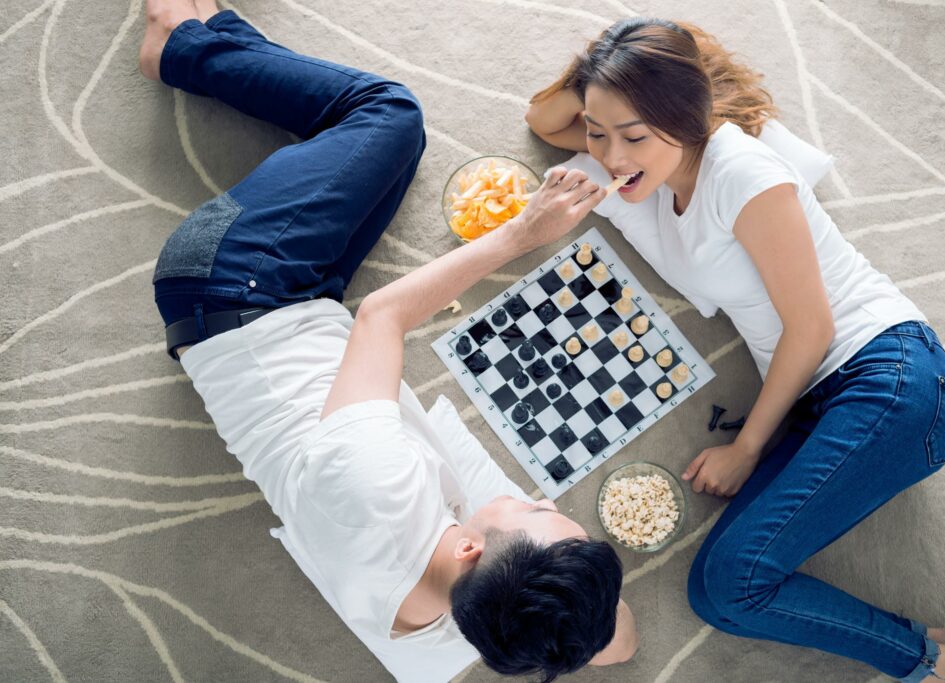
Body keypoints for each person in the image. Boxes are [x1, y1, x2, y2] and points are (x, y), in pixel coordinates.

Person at [138, 2, 637, 681]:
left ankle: (182, 48)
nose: (542, 499)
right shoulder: (464, 639)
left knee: (390, 114)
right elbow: (622, 642)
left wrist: (523, 233)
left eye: (532, 513)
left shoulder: (378, 481)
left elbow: (383, 315)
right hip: (307, 312)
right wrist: (571, 604)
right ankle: (219, 39)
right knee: (393, 156)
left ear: (466, 546)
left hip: (226, 284)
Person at [524, 16, 945, 683]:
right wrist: (603, 66)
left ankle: (938, 661)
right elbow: (545, 120)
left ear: (685, 116)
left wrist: (747, 449)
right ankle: (932, 656)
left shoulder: (742, 171)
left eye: (631, 135)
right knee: (721, 590)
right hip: (819, 397)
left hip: (887, 377)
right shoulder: (658, 165)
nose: (608, 156)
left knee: (730, 585)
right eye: (598, 132)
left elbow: (812, 328)